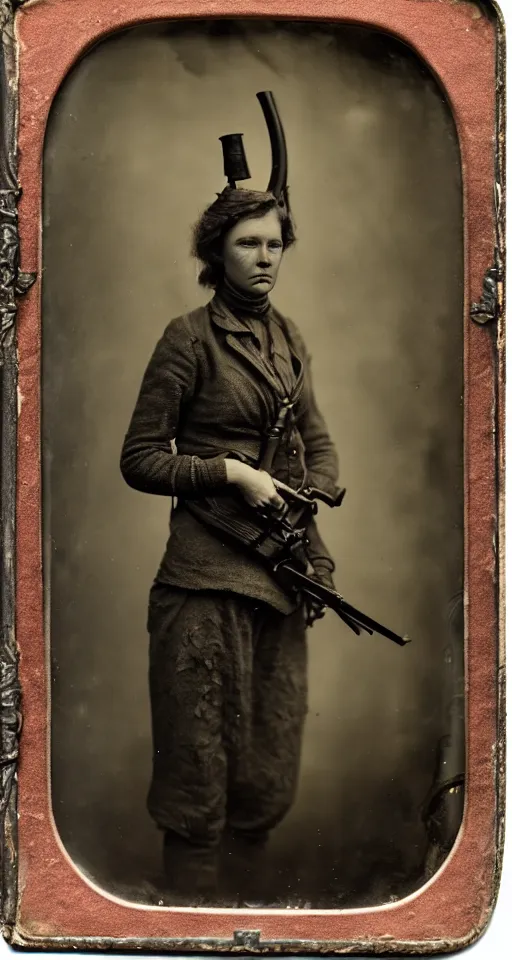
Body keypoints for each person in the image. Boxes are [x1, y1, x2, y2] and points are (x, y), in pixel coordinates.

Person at [120, 94, 340, 906]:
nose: (265, 258)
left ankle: (255, 933)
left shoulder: (290, 340)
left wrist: (315, 504)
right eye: (248, 243)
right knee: (198, 781)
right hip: (205, 585)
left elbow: (315, 440)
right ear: (217, 252)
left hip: (280, 583)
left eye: (275, 244)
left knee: (265, 776)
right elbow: (139, 459)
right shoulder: (186, 339)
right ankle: (190, 933)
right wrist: (229, 474)